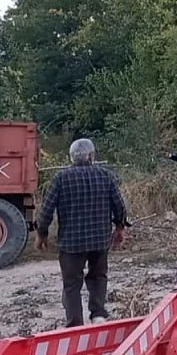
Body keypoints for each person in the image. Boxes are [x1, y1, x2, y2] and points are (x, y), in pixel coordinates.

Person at [36, 138, 129, 328]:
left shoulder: (61, 179)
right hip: (100, 240)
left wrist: (42, 233)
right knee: (98, 277)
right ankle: (98, 315)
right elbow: (119, 206)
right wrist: (120, 228)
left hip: (71, 243)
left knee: (71, 284)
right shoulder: (106, 176)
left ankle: (75, 324)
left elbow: (46, 210)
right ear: (91, 156)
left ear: (71, 158)